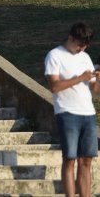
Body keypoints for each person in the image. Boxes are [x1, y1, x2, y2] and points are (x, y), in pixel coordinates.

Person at [45, 23, 100, 197]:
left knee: (87, 160)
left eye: (84, 46)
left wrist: (98, 80)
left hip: (88, 113)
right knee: (69, 159)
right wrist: (79, 78)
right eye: (79, 45)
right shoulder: (54, 56)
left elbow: (95, 90)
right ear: (70, 38)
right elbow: (54, 86)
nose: (81, 49)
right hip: (67, 113)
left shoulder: (85, 57)